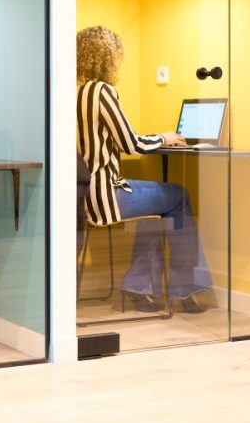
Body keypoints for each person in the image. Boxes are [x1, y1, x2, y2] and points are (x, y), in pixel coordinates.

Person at [76, 25, 211, 313]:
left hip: (86, 194)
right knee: (178, 196)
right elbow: (130, 143)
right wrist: (165, 137)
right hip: (106, 195)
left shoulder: (79, 93)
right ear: (108, 56)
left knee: (156, 207)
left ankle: (140, 288)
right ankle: (185, 290)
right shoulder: (102, 91)